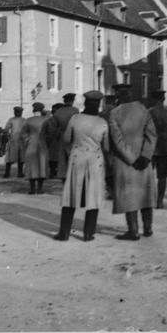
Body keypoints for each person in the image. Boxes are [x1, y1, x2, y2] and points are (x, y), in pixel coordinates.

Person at [53, 91, 110, 242]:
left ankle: (64, 233)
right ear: (98, 105)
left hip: (77, 158)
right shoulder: (102, 123)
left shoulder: (75, 118)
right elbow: (107, 146)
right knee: (93, 196)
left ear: (85, 103)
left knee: (71, 195)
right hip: (95, 160)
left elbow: (66, 138)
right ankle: (88, 234)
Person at [108, 84, 158, 240]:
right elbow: (152, 135)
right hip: (144, 161)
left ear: (118, 96)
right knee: (145, 194)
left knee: (129, 196)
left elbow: (117, 140)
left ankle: (133, 230)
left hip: (125, 161)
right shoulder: (143, 110)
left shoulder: (115, 113)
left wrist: (131, 159)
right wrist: (145, 156)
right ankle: (148, 228)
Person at [148, 89, 167, 208]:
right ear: (163, 99)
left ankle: (148, 199)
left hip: (150, 146)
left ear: (153, 99)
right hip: (164, 146)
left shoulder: (148, 112)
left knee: (148, 175)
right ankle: (160, 201)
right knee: (162, 176)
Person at [21, 102, 49, 194]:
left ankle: (32, 189)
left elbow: (23, 133)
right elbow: (50, 133)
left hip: (31, 144)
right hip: (43, 144)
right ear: (41, 110)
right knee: (42, 165)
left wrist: (27, 141)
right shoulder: (46, 120)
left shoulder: (28, 120)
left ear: (34, 110)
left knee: (31, 166)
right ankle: (40, 188)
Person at [50, 93, 79, 179]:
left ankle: (63, 175)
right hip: (73, 135)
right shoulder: (75, 110)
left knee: (62, 157)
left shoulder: (58, 111)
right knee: (72, 156)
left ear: (64, 101)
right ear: (72, 101)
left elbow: (54, 126)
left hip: (62, 135)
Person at [100, 94, 118, 200]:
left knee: (107, 168)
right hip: (116, 143)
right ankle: (117, 189)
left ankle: (110, 190)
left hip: (105, 143)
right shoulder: (119, 112)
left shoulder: (102, 114)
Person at [4, 106, 26, 178]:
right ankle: (7, 173)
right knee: (10, 157)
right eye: (16, 112)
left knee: (21, 158)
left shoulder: (24, 120)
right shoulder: (11, 120)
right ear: (14, 112)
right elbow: (6, 129)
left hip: (21, 141)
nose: (18, 113)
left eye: (19, 112)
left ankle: (20, 173)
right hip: (13, 141)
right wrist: (8, 136)